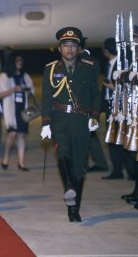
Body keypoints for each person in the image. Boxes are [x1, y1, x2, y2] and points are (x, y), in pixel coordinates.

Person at [40, 27, 101, 222]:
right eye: (65, 45)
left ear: (79, 48)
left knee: (79, 166)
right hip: (59, 119)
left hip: (81, 120)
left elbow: (96, 95)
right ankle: (68, 187)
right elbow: (47, 97)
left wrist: (95, 116)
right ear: (59, 48)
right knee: (63, 153)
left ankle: (74, 208)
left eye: (73, 45)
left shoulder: (90, 66)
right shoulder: (51, 68)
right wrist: (46, 123)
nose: (69, 49)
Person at [0, 52, 34, 171]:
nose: (20, 63)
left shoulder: (25, 76)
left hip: (24, 109)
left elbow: (32, 91)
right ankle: (6, 156)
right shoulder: (5, 76)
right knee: (12, 134)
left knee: (21, 135)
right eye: (18, 60)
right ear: (12, 62)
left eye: (21, 60)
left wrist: (27, 91)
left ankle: (21, 163)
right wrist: (13, 89)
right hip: (11, 110)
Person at [100, 38, 132, 180]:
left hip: (120, 109)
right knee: (112, 140)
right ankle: (117, 171)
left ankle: (130, 172)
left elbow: (125, 88)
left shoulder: (121, 65)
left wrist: (111, 87)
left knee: (121, 140)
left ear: (107, 50)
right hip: (109, 107)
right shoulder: (109, 64)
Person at [78, 38, 109, 173]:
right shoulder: (93, 60)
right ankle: (100, 163)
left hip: (85, 105)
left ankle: (83, 164)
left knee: (82, 135)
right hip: (89, 104)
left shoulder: (84, 61)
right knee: (90, 135)